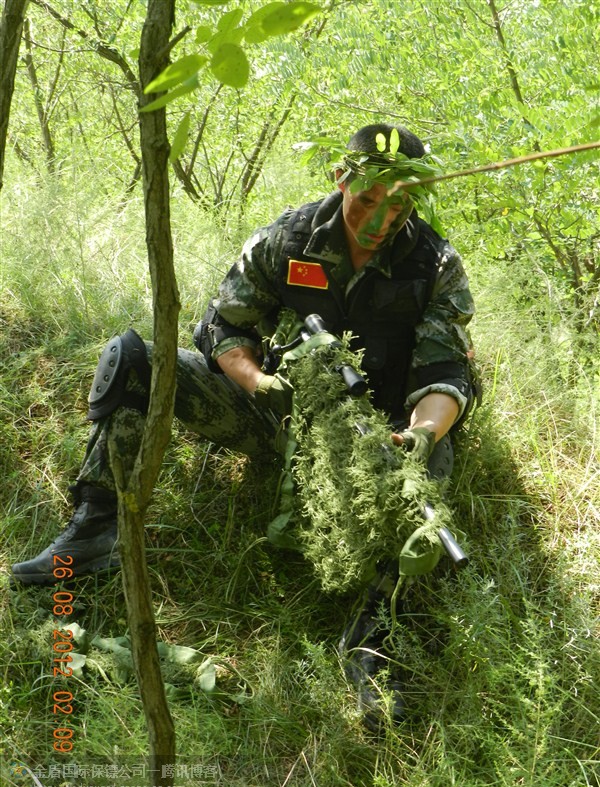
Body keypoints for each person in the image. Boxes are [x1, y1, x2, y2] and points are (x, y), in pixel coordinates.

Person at [11, 123, 475, 727]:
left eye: (399, 205)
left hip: (373, 439)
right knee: (136, 361)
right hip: (280, 412)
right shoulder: (290, 238)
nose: (381, 219)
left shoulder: (434, 262)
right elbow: (222, 327)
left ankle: (372, 639)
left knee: (430, 466)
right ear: (342, 180)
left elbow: (446, 375)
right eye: (367, 201)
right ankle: (95, 529)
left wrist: (418, 434)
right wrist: (261, 385)